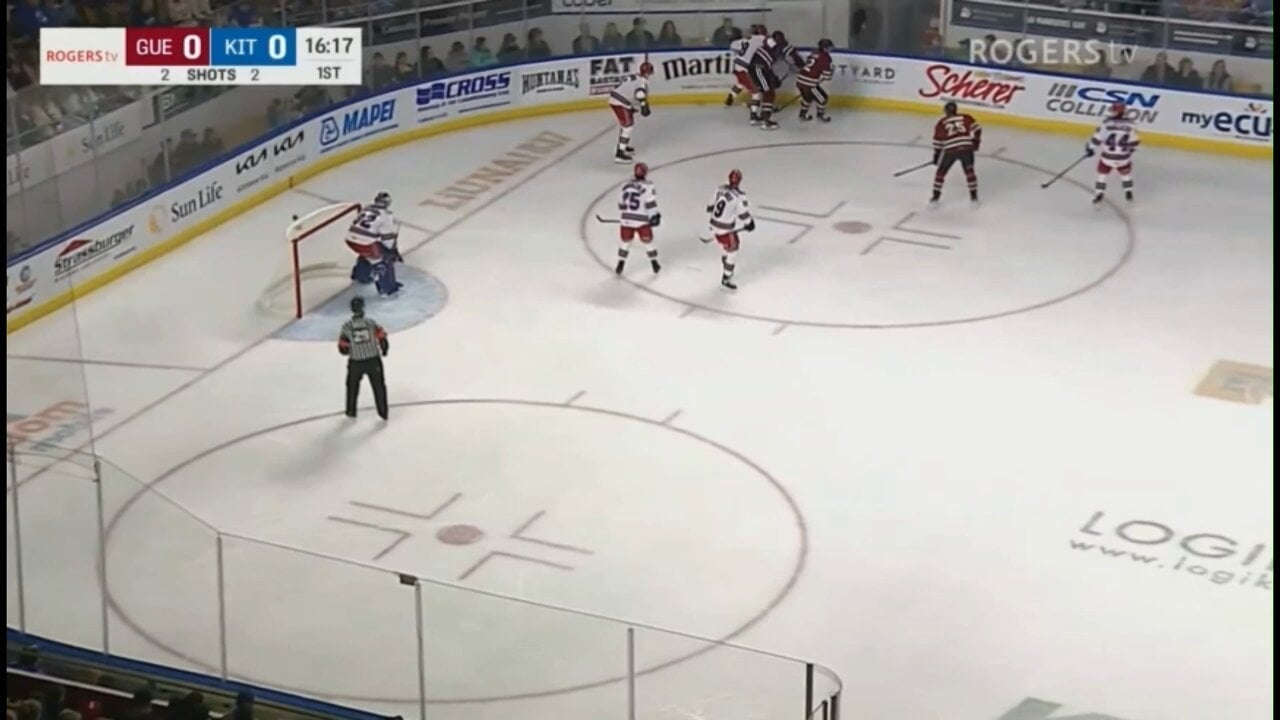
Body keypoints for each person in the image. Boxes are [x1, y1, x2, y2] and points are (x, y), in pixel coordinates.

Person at [701, 169, 754, 290]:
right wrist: (749, 223)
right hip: (725, 230)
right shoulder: (740, 196)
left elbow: (709, 207)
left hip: (713, 225)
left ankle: (725, 257)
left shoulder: (720, 189)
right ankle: (726, 277)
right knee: (733, 249)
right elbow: (743, 214)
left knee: (728, 243)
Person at [339, 296, 390, 421]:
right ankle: (383, 412)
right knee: (379, 387)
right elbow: (382, 337)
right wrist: (384, 350)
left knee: (352, 387)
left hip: (356, 362)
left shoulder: (346, 326)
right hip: (373, 360)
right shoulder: (371, 323)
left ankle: (351, 411)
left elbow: (343, 346)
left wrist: (351, 349)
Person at [345, 192, 403, 296]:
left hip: (350, 240)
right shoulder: (386, 215)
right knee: (384, 259)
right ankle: (387, 289)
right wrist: (392, 252)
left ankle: (360, 275)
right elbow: (388, 239)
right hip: (365, 243)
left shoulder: (366, 208)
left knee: (368, 254)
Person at [1084, 101, 1139, 204]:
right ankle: (1128, 193)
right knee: (1125, 175)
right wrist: (1129, 151)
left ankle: (1099, 193)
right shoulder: (1132, 124)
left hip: (1107, 157)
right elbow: (1135, 142)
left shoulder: (1106, 123)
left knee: (1102, 175)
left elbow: (1097, 139)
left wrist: (1090, 149)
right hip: (1123, 158)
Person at [930, 100, 981, 205]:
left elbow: (937, 141)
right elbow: (978, 129)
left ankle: (935, 197)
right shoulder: (966, 117)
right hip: (967, 148)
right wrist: (976, 142)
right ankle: (974, 197)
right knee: (970, 172)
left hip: (951, 150)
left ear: (946, 111)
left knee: (940, 173)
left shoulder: (942, 122)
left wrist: (937, 156)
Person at [615, 162, 661, 275]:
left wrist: (627, 214)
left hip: (626, 219)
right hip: (642, 220)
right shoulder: (649, 186)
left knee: (626, 242)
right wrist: (654, 215)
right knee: (647, 242)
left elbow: (621, 204)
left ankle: (620, 263)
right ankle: (654, 263)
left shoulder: (624, 185)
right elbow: (650, 204)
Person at [607, 61, 653, 162]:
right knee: (628, 126)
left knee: (626, 125)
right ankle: (620, 154)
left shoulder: (634, 76)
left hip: (617, 99)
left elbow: (627, 89)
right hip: (620, 102)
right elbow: (640, 93)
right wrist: (644, 104)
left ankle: (623, 145)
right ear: (648, 73)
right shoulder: (642, 82)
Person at [797, 38, 835, 122]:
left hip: (800, 79)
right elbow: (827, 77)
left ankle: (802, 114)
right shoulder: (826, 58)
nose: (831, 49)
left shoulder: (814, 52)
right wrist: (831, 71)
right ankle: (820, 115)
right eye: (829, 47)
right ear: (825, 48)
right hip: (809, 83)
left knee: (807, 98)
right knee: (822, 98)